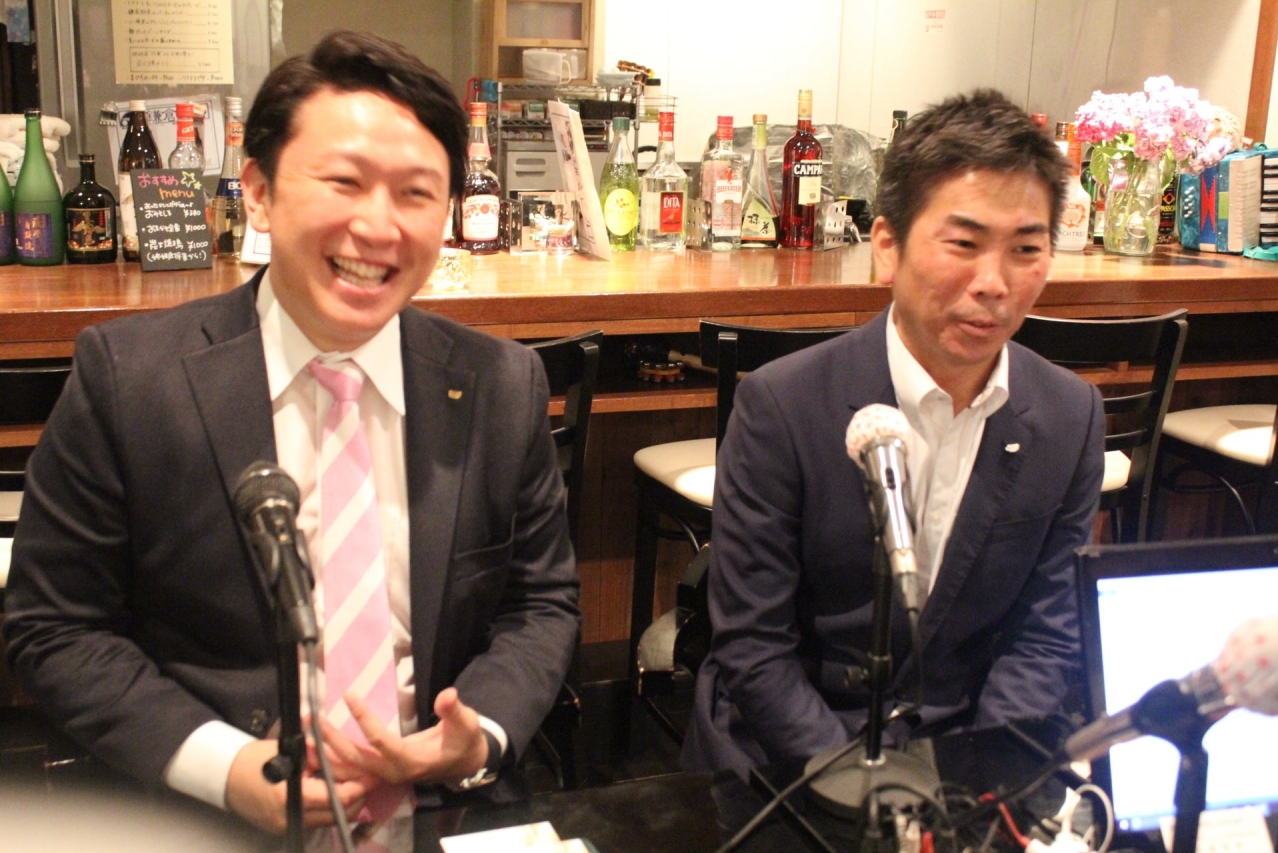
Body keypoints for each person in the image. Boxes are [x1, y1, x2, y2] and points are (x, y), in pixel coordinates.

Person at [3, 31, 579, 835]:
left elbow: (539, 603)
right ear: (259, 192)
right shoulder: (131, 380)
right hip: (208, 816)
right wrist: (225, 768)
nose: (378, 226)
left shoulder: (500, 385)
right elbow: (54, 626)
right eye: (344, 181)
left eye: (416, 193)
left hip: (443, 807)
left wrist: (473, 734)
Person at [682, 90, 1105, 779]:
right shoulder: (782, 405)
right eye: (963, 244)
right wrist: (864, 786)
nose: (994, 283)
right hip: (795, 749)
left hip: (967, 745)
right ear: (887, 247)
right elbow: (755, 647)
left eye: (1026, 249)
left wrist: (973, 777)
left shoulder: (1069, 415)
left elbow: (1046, 636)